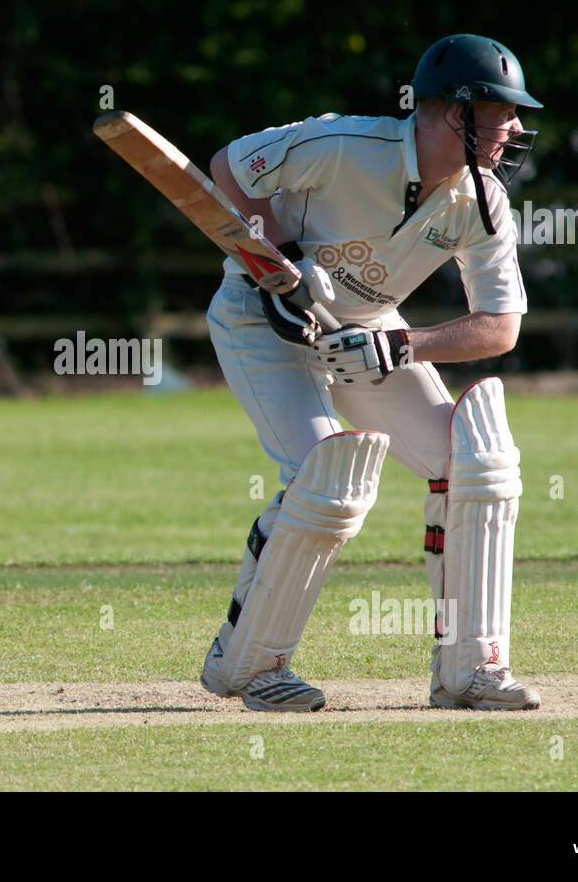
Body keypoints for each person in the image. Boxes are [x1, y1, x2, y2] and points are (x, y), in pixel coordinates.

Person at [199, 34, 543, 712]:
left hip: (367, 330)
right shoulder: (343, 144)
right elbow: (229, 167)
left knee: (478, 458)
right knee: (327, 476)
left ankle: (469, 669)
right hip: (257, 319)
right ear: (456, 112)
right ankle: (252, 664)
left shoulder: (484, 202)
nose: (514, 129)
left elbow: (500, 326)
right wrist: (281, 255)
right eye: (503, 113)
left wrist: (399, 346)